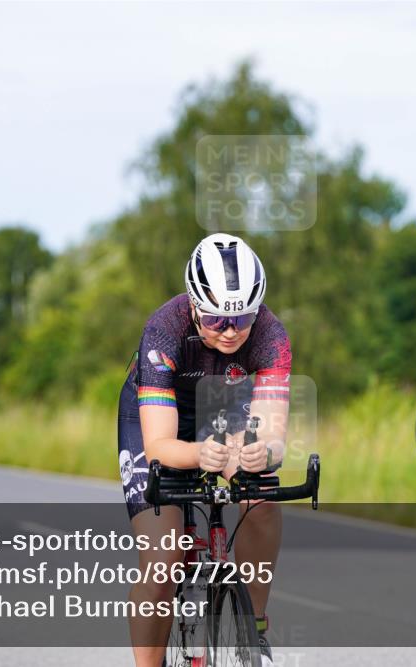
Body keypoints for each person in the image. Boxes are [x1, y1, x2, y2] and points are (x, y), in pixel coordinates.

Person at [118, 233, 291, 667]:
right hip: (162, 417)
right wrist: (199, 455)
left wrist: (260, 455)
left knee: (262, 498)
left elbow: (274, 438)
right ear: (195, 306)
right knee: (162, 564)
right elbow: (159, 446)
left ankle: (255, 626)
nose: (232, 331)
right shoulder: (164, 328)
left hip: (224, 404)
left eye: (243, 318)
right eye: (216, 320)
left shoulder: (271, 335)